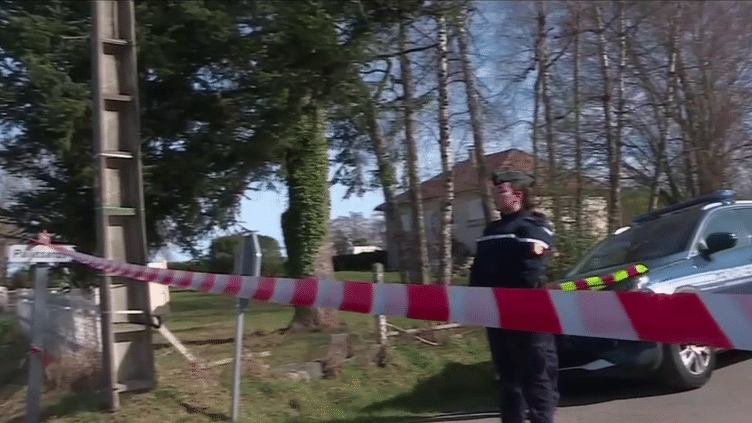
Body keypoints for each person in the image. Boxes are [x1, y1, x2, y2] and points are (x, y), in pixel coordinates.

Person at [469, 170, 558, 423]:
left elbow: (529, 273)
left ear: (518, 195)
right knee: (508, 380)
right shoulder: (491, 229)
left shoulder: (534, 225)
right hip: (497, 317)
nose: (495, 197)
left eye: (501, 192)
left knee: (537, 379)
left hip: (529, 317)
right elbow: (479, 272)